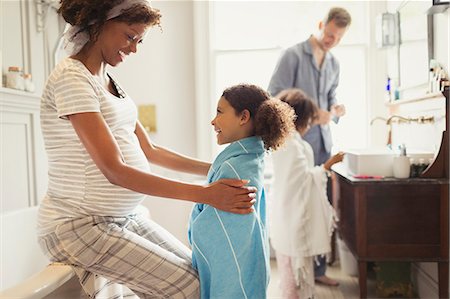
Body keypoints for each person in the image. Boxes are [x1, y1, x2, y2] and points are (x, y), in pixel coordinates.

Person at [37, 1, 257, 298]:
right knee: (191, 289)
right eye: (130, 37)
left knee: (201, 276)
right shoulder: (72, 78)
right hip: (79, 225)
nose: (134, 49)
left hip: (123, 218)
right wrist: (206, 194)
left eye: (139, 41)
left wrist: (218, 168)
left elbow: (151, 150)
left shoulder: (110, 81)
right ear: (99, 23)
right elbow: (114, 170)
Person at [268, 7, 351, 286]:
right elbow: (274, 96)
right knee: (296, 205)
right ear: (320, 25)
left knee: (318, 203)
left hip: (322, 143)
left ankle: (316, 272)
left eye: (338, 38)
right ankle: (294, 268)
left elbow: (330, 97)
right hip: (297, 141)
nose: (331, 41)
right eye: (329, 34)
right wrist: (311, 113)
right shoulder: (292, 55)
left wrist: (335, 109)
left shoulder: (334, 64)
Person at [188, 84, 295, 299]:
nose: (213, 121)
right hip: (250, 265)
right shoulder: (252, 158)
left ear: (243, 117)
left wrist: (195, 221)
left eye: (219, 112)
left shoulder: (234, 168)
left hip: (232, 274)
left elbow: (217, 231)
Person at [270, 88, 344, 299]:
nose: (310, 126)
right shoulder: (292, 145)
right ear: (300, 118)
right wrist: (328, 165)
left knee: (289, 273)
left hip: (285, 215)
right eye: (309, 121)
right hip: (293, 218)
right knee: (294, 275)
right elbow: (302, 181)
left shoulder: (284, 142)